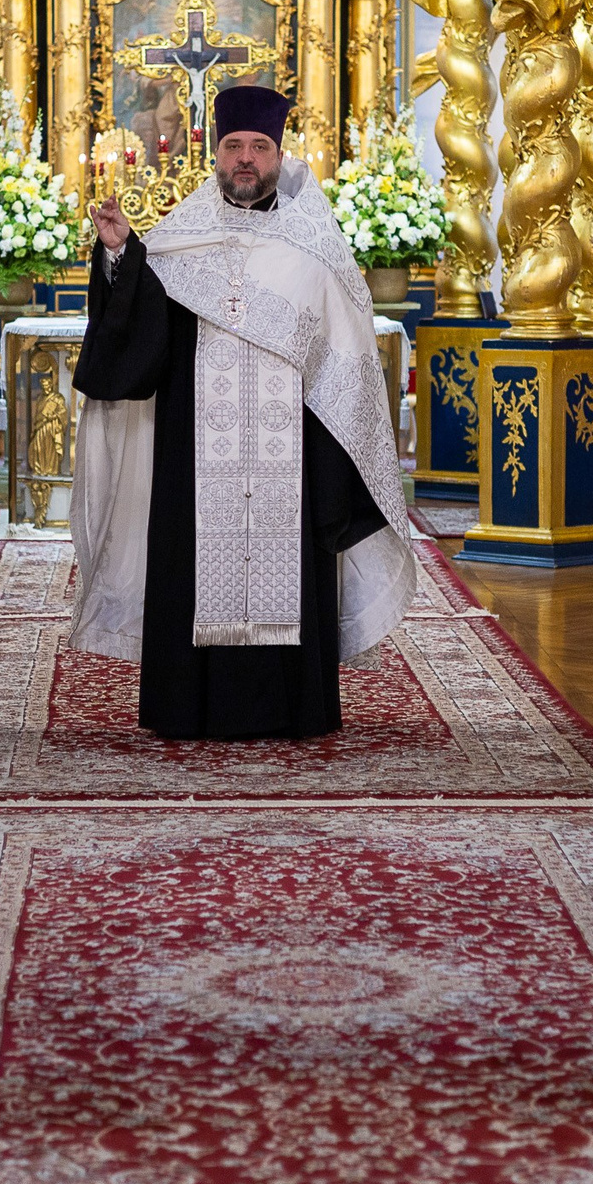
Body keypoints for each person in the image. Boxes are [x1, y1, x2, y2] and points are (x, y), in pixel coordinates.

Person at [68, 80, 412, 740]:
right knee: (192, 568)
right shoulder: (179, 243)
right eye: (233, 146)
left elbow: (346, 364)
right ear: (216, 155)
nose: (246, 158)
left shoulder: (314, 252)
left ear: (279, 155)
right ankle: (187, 706)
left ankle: (294, 707)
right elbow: (140, 341)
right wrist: (118, 254)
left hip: (294, 462)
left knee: (293, 570)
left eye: (259, 146)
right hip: (195, 461)